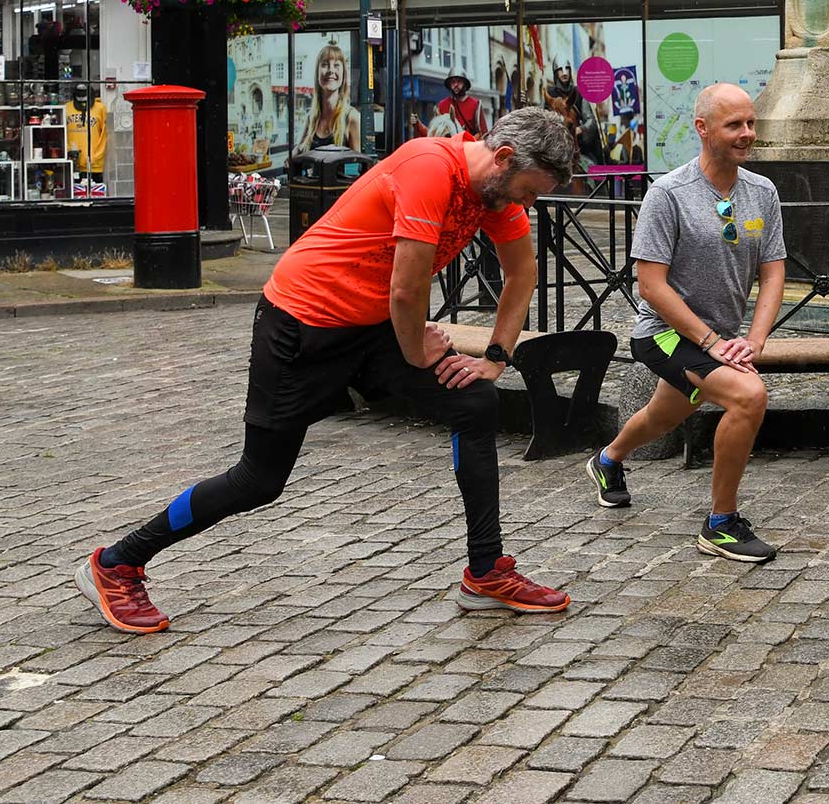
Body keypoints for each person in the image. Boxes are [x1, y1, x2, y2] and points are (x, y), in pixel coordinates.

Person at [75, 110, 578, 633]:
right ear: (502, 159)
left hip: (373, 326)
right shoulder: (431, 167)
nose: (529, 204)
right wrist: (419, 353)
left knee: (472, 401)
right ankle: (115, 564)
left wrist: (494, 358)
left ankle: (485, 572)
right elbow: (407, 291)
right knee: (258, 479)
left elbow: (523, 273)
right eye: (528, 191)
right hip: (302, 323)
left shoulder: (492, 193)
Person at [585, 84, 786, 562]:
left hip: (721, 341)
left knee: (664, 415)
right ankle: (720, 524)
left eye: (751, 123)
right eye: (733, 124)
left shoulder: (763, 192)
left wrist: (753, 341)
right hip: (666, 334)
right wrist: (713, 341)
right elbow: (651, 286)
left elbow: (774, 269)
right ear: (702, 129)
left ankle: (607, 459)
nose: (746, 134)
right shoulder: (669, 194)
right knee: (748, 396)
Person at [303, 42, 362, 150]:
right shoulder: (310, 118)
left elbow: (356, 164)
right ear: (317, 73)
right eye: (325, 64)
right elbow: (298, 151)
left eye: (336, 65)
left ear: (343, 74)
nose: (331, 70)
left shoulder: (351, 117)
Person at [445, 72, 487, 138]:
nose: (456, 84)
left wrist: (468, 141)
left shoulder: (475, 104)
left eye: (459, 81)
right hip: (448, 146)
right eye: (453, 82)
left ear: (464, 84)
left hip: (469, 146)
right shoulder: (442, 105)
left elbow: (482, 132)